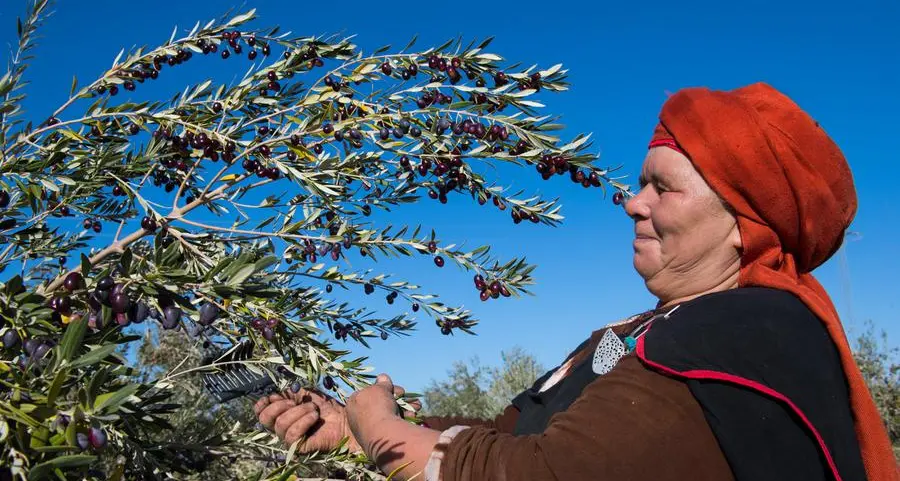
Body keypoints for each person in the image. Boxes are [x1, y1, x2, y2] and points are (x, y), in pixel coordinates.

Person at [254, 83, 898, 481]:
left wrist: (382, 435)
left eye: (662, 187)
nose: (631, 202)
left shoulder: (747, 335)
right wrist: (348, 426)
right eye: (640, 181)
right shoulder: (647, 334)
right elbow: (518, 437)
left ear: (742, 225)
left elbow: (543, 476)